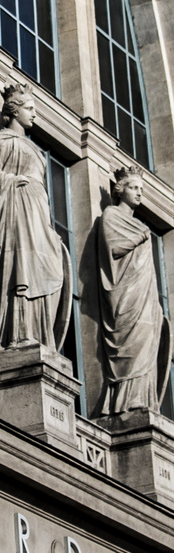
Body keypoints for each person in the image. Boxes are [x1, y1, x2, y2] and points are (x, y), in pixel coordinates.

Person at [0, 83, 72, 351]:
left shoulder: (34, 148)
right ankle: (19, 334)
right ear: (14, 112)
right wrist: (8, 180)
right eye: (29, 109)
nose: (34, 115)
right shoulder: (3, 139)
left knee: (43, 269)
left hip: (38, 218)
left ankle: (38, 334)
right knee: (21, 271)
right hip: (18, 211)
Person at [98, 166, 171, 414]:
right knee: (131, 347)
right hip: (124, 296)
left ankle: (140, 400)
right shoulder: (110, 216)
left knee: (146, 346)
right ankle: (124, 402)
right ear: (120, 190)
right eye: (134, 188)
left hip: (145, 297)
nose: (139, 193)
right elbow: (112, 251)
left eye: (141, 189)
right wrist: (137, 239)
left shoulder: (138, 224)